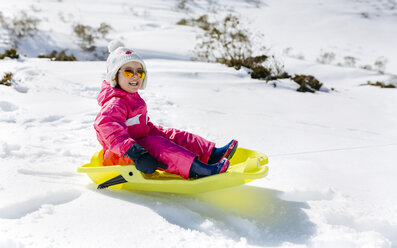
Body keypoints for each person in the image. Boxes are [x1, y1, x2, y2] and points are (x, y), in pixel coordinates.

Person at [94, 40, 238, 179]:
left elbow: (142, 128)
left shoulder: (132, 98)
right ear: (114, 75)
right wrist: (136, 153)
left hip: (138, 145)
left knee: (172, 135)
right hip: (121, 155)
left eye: (140, 72)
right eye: (128, 72)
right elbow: (107, 128)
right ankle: (199, 170)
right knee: (157, 145)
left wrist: (163, 135)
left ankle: (211, 154)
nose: (135, 76)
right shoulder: (115, 103)